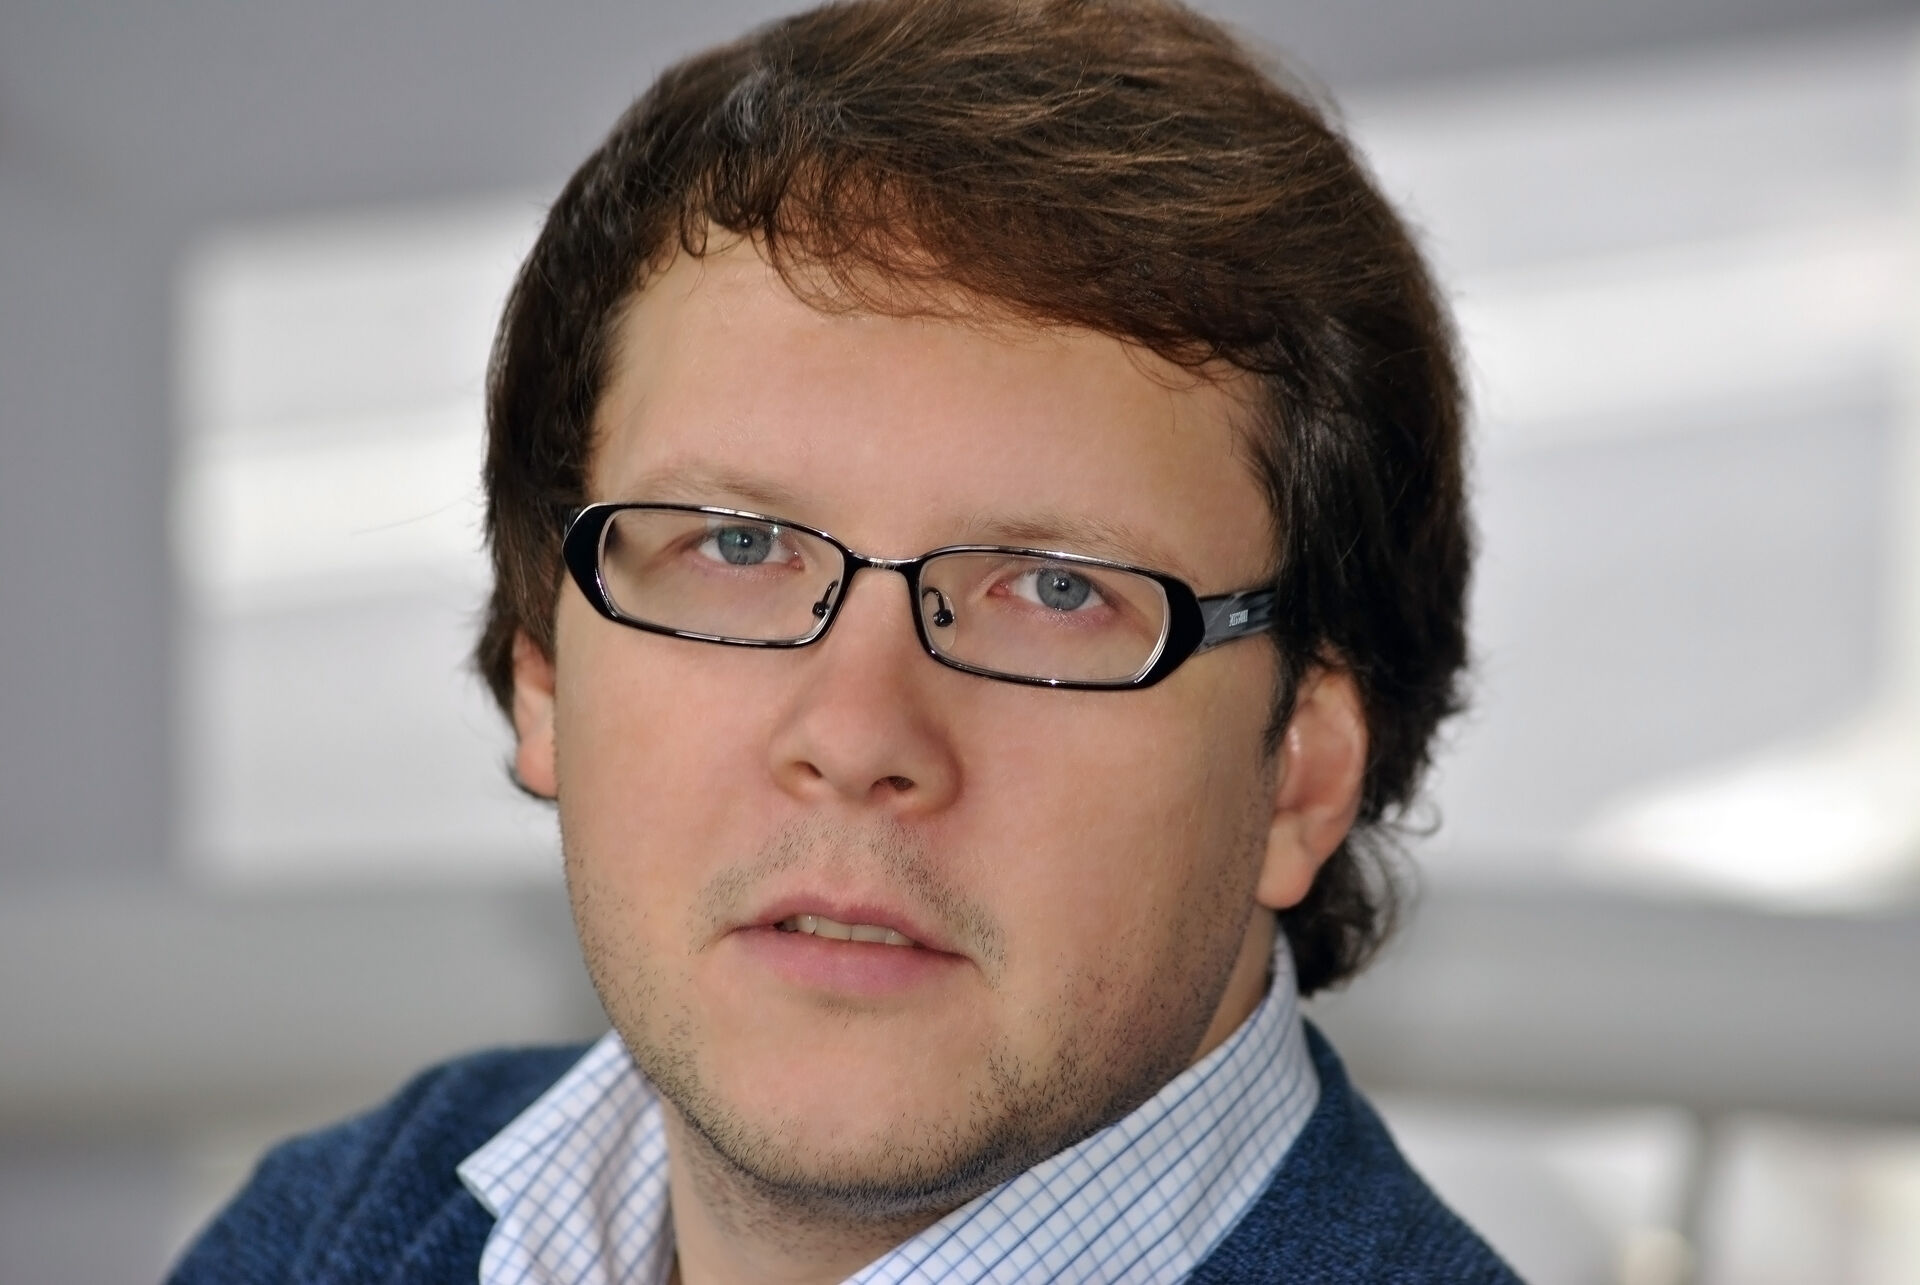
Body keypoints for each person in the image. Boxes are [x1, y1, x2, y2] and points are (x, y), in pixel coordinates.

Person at [171, 0, 1514, 1280]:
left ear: (1302, 775)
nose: (858, 734)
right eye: (736, 547)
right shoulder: (315, 1236)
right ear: (543, 675)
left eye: (1056, 588)